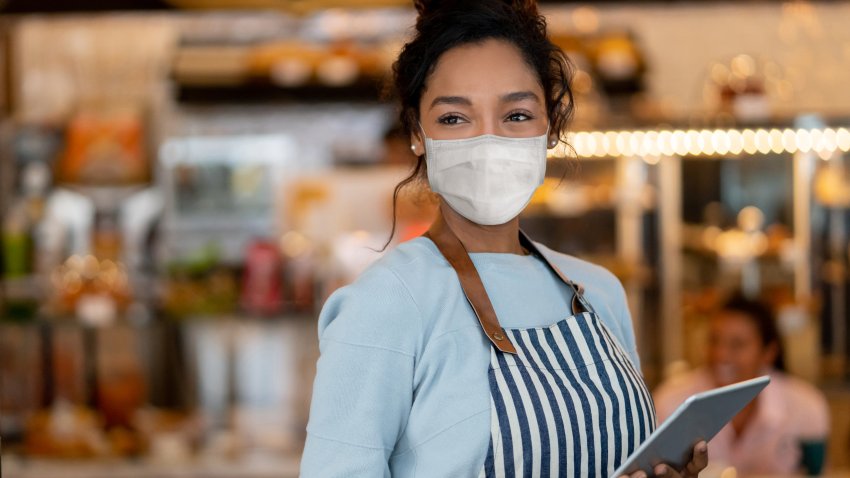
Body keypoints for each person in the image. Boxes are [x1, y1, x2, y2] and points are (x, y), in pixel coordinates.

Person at [301, 1, 708, 476]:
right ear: (417, 132)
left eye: (516, 115)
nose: (489, 142)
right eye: (455, 118)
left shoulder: (599, 293)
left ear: (551, 126)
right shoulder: (384, 305)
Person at [654, 294, 830, 476]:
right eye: (714, 341)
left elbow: (816, 473)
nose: (721, 355)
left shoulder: (805, 405)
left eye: (737, 344)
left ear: (769, 352)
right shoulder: (671, 402)